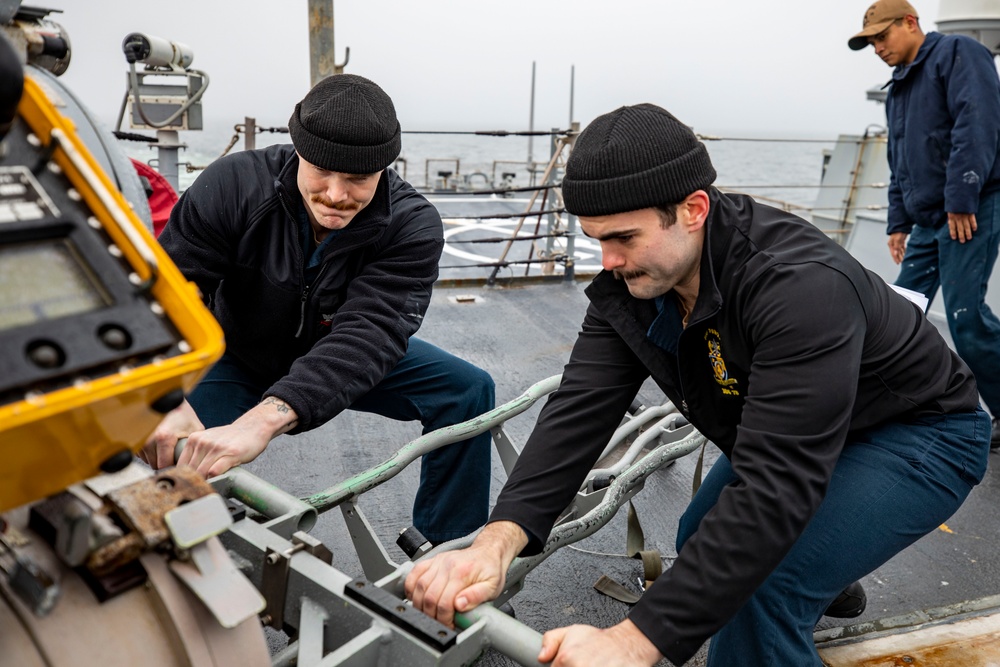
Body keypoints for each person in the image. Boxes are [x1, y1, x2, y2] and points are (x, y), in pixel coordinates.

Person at [404, 104, 991, 666]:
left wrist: (639, 639)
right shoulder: (637, 283)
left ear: (693, 209)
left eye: (625, 239)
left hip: (917, 431)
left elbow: (775, 487)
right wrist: (497, 541)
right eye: (595, 238)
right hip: (811, 429)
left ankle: (802, 583)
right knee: (699, 535)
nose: (607, 260)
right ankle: (826, 573)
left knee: (757, 584)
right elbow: (580, 409)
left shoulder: (799, 288)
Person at [141, 74, 494, 544]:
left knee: (468, 392)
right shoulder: (233, 185)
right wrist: (162, 392)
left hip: (336, 345)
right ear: (297, 152)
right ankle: (165, 562)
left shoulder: (412, 224)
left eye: (357, 179)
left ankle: (449, 553)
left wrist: (264, 419)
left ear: (386, 168)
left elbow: (370, 334)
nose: (334, 194)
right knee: (175, 450)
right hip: (235, 350)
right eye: (321, 172)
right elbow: (169, 294)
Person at [848, 0, 1000, 447]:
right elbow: (902, 160)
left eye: (882, 36)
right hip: (930, 217)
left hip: (971, 207)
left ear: (910, 23)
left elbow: (977, 126)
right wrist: (898, 222)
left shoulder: (957, 54)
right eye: (871, 41)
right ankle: (893, 404)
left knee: (965, 315)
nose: (877, 48)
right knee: (899, 312)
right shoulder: (898, 87)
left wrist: (961, 198)